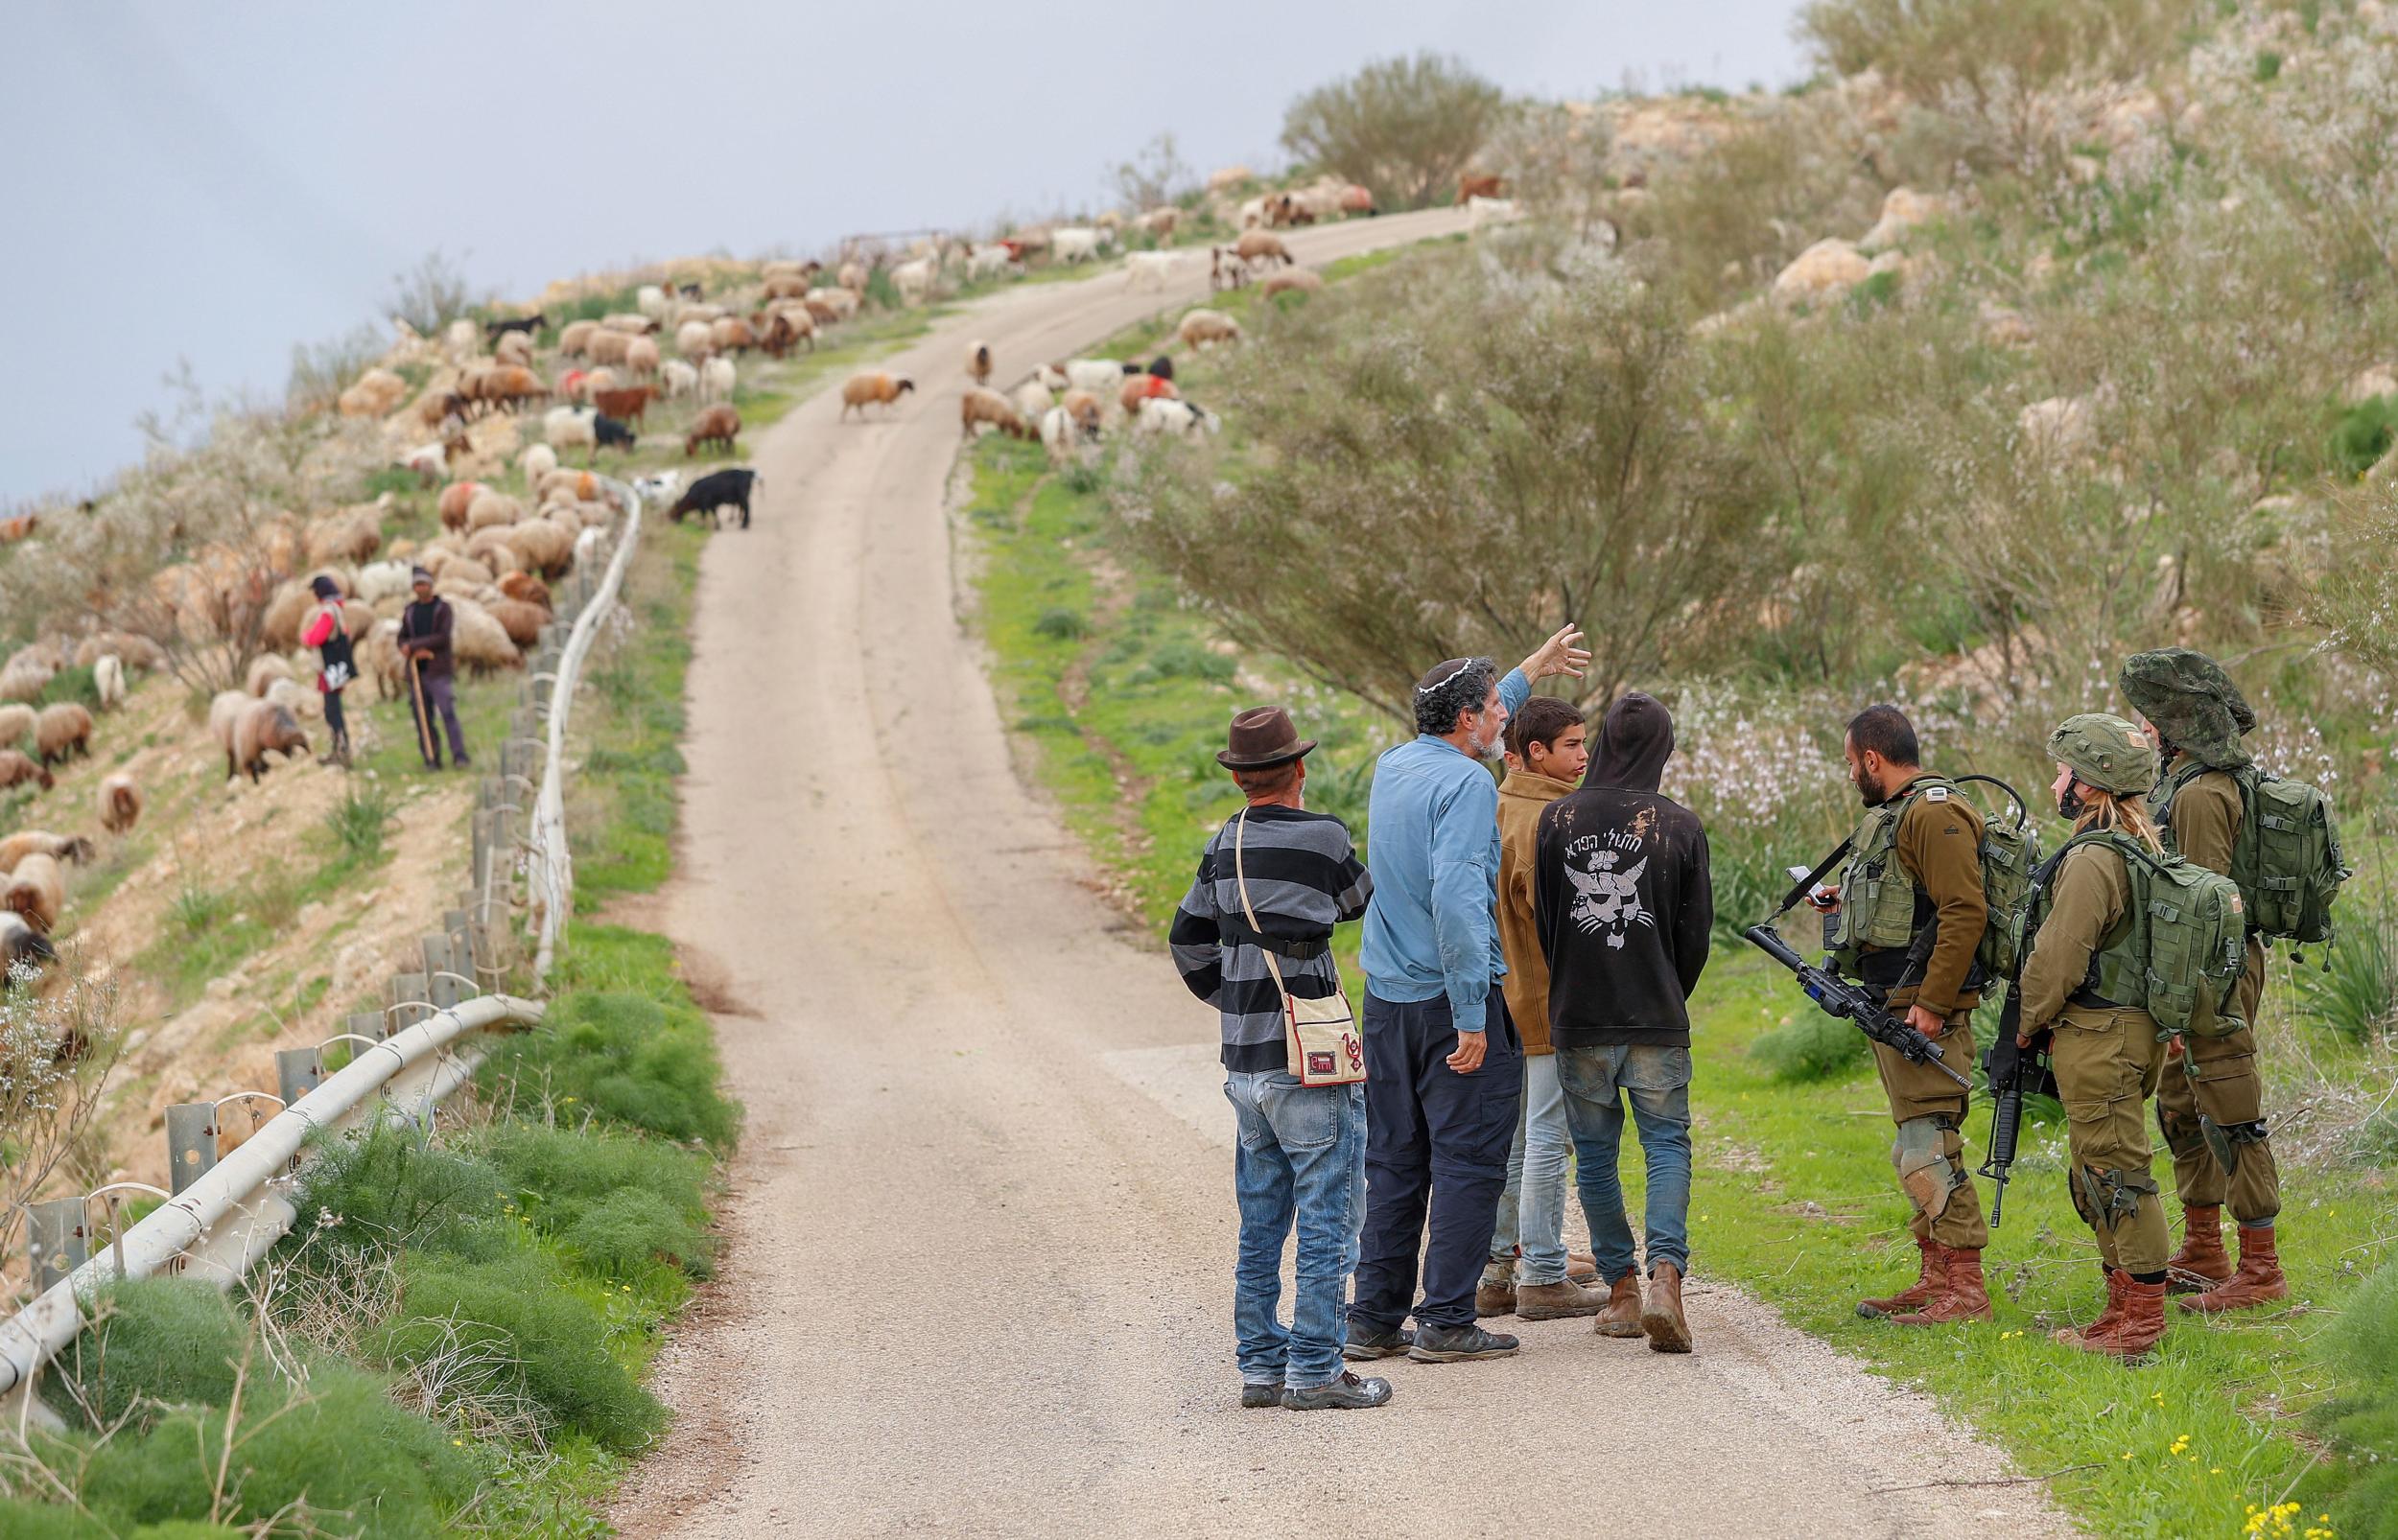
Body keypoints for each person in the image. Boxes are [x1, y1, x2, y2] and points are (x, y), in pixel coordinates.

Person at [1345, 625, 1589, 1366]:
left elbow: (1469, 714)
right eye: (1495, 710)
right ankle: (1447, 1321)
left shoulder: (1396, 766)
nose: (1505, 721)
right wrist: (1470, 1019)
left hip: (1385, 1005)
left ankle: (1374, 1320)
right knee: (1469, 1161)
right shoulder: (1466, 783)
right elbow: (1457, 904)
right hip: (1451, 1002)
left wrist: (1526, 670)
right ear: (1466, 721)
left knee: (1394, 1160)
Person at [1168, 707, 1385, 1411]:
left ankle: (1261, 1365)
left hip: (1245, 1062)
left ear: (1239, 778)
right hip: (1308, 1055)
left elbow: (1187, 941)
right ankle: (1317, 1370)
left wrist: (1234, 998)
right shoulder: (1322, 835)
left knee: (1262, 1221)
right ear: (1298, 769)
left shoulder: (1221, 842)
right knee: (1329, 1215)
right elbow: (1356, 898)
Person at [1534, 691, 1713, 1352]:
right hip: (1655, 1015)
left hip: (1580, 1016)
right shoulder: (1679, 825)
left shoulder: (1556, 819)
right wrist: (1668, 989)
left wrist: (1571, 985)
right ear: (1662, 750)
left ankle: (1621, 1292)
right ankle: (1667, 1276)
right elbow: (1696, 934)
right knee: (1666, 1145)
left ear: (1604, 740)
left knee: (1598, 1159)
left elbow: (1547, 922)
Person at [2118, 647, 2288, 1312]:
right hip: (2194, 973)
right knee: (2182, 1104)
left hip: (2212, 974)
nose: (2142, 730)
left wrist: (2188, 1008)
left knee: (2230, 1107)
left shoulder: (2202, 794)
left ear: (2174, 725)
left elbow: (2206, 910)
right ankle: (2205, 1246)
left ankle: (2262, 1268)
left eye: (2149, 719)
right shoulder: (2186, 781)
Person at [1814, 705, 1993, 1326]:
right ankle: (1937, 1277)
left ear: (1872, 759)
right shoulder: (1899, 816)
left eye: (1851, 763)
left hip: (1924, 1010)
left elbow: (1965, 910)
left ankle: (1966, 1290)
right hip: (1893, 1001)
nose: (1851, 775)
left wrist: (1935, 1003)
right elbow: (1911, 899)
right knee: (1915, 1146)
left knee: (1929, 1148)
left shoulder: (1934, 811)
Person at [2014, 712, 2174, 1359]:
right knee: (2099, 1169)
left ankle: (2141, 1322)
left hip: (2101, 1033)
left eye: (2063, 772)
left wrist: (2025, 1025)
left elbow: (2058, 959)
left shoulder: (2091, 860)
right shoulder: (2142, 847)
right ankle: (2118, 1309)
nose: (2056, 782)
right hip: (2129, 1031)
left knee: (2118, 1174)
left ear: (2090, 784)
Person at [1481, 696, 1605, 1321]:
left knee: (1519, 1138)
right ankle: (1546, 1274)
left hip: (1507, 996)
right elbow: (1559, 925)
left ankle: (1497, 1270)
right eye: (1572, 746)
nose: (1584, 756)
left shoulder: (1498, 804)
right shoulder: (1543, 820)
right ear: (1536, 751)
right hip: (1546, 999)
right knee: (1547, 1140)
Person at [396, 568, 470, 771]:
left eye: (424, 584)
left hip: (438, 670)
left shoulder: (443, 608)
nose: (420, 588)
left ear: (431, 585)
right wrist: (407, 648)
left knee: (447, 712)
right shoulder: (410, 611)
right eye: (417, 585)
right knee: (422, 717)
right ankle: (431, 757)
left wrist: (415, 646)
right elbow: (401, 637)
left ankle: (459, 755)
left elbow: (443, 637)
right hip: (417, 673)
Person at [302, 574, 356, 767]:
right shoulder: (337, 609)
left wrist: (306, 637)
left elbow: (317, 637)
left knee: (332, 709)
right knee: (334, 708)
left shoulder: (327, 612)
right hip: (337, 665)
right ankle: (340, 748)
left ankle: (341, 750)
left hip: (329, 667)